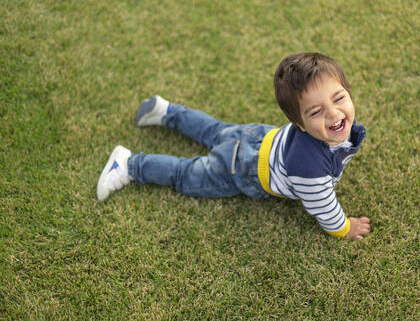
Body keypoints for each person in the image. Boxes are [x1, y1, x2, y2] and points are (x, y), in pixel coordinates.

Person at [96, 52, 371, 240]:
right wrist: (344, 228)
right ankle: (130, 164)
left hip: (258, 137)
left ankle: (167, 111)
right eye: (316, 112)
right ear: (299, 124)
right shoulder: (310, 170)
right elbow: (322, 206)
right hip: (242, 169)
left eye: (339, 98)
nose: (335, 114)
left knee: (214, 130)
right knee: (187, 174)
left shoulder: (338, 124)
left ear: (347, 90)